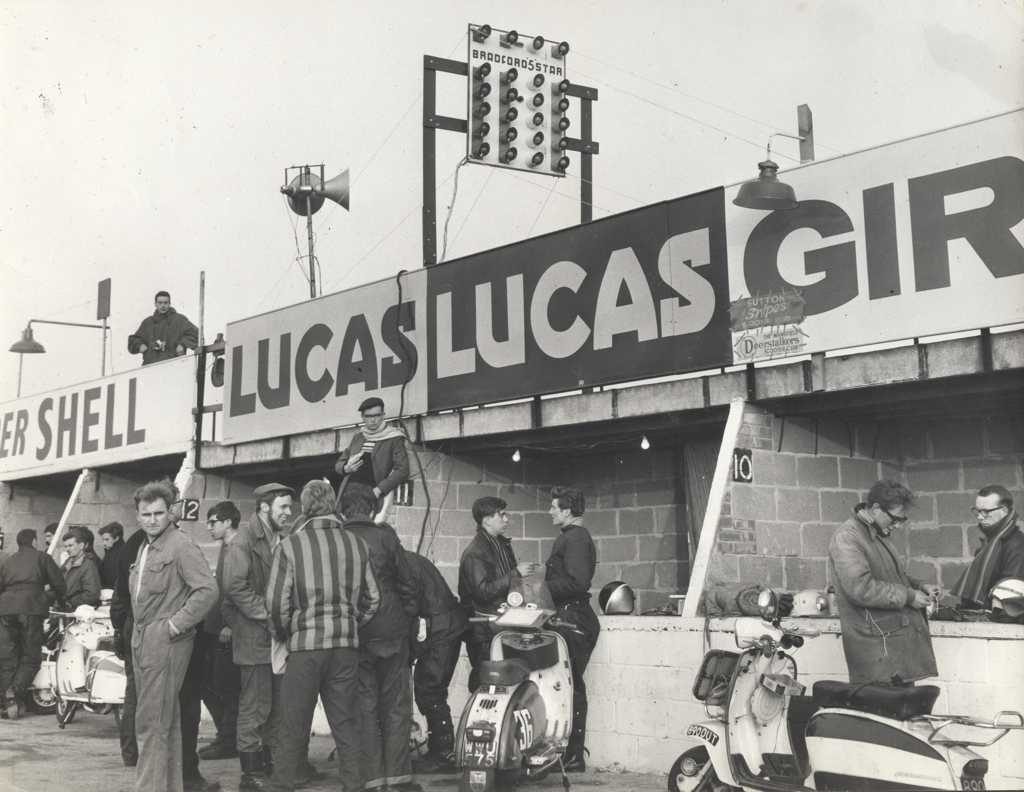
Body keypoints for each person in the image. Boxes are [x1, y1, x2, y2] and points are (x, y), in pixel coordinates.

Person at [266, 480, 381, 792]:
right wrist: (351, 622)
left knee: (293, 721)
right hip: (345, 646)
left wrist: (286, 633)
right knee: (345, 720)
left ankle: (283, 784)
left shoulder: (290, 545)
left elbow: (277, 603)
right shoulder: (357, 545)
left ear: (305, 507)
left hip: (305, 647)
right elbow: (373, 599)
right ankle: (354, 784)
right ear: (333, 505)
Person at [128, 479, 218, 792]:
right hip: (143, 638)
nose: (152, 519)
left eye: (158, 513)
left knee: (151, 722)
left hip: (165, 641)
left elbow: (207, 590)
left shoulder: (180, 546)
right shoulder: (145, 546)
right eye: (146, 514)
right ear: (138, 516)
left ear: (169, 513)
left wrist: (175, 626)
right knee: (164, 720)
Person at [341, 483, 420, 792]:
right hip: (391, 633)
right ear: (371, 509)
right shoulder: (386, 536)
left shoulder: (338, 538)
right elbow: (408, 582)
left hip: (356, 634)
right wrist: (407, 616)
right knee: (397, 706)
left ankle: (372, 780)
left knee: (364, 707)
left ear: (343, 511)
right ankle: (398, 779)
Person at [222, 483, 298, 790]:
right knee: (254, 707)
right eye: (283, 507)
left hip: (275, 637)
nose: (289, 513)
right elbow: (235, 587)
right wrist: (270, 615)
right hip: (256, 635)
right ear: (265, 507)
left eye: (290, 507)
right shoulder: (244, 541)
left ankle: (266, 765)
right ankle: (250, 774)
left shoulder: (280, 538)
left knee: (276, 706)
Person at [828, 480, 939, 686]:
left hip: (893, 650)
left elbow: (891, 578)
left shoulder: (878, 533)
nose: (897, 525)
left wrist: (919, 586)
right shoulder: (848, 537)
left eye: (902, 520)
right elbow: (861, 588)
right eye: (895, 519)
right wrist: (909, 596)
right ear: (877, 508)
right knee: (881, 714)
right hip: (875, 651)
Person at [544, 486, 601, 772]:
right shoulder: (570, 537)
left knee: (572, 686)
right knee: (569, 685)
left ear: (567, 510)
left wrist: (540, 588)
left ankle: (574, 756)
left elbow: (577, 583)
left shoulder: (576, 538)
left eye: (554, 507)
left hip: (574, 619)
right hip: (570, 617)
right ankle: (570, 754)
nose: (550, 511)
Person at [458, 496, 532, 692]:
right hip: (484, 632)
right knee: (485, 684)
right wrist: (515, 574)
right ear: (487, 519)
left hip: (500, 628)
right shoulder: (475, 552)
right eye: (502, 515)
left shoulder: (501, 545)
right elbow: (482, 592)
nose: (507, 519)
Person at [405, 550, 467, 773]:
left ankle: (442, 753)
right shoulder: (411, 559)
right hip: (448, 625)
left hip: (442, 629)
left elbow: (409, 607)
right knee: (431, 688)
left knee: (430, 689)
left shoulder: (401, 565)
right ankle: (442, 750)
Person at [0, 528, 66, 719]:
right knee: (31, 656)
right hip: (31, 609)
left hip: (5, 610)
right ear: (34, 541)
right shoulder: (42, 557)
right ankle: (13, 693)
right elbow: (59, 584)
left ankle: (7, 701)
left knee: (9, 657)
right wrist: (61, 600)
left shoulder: (8, 561)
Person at [195, 502, 242, 761]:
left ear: (227, 522)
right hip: (214, 628)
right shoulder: (226, 547)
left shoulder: (237, 548)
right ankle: (226, 736)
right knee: (209, 684)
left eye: (213, 521)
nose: (209, 526)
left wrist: (230, 624)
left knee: (226, 686)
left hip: (226, 630)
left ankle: (229, 740)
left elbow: (237, 589)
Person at [951, 485, 1024, 608]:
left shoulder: (1017, 544)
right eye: (977, 511)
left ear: (1004, 511)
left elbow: (1008, 590)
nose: (980, 517)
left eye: (986, 512)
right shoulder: (990, 541)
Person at [333, 397, 410, 512]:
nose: (373, 420)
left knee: (361, 527)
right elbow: (338, 464)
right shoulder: (358, 437)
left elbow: (403, 470)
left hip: (370, 493)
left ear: (383, 415)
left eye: (377, 415)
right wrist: (346, 468)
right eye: (369, 416)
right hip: (348, 491)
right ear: (363, 417)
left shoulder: (394, 437)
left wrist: (378, 490)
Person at [128, 290, 199, 365]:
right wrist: (140, 345)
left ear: (169, 304)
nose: (163, 306)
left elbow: (197, 334)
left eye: (165, 303)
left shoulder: (179, 320)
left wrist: (182, 344)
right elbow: (133, 340)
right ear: (155, 304)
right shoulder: (147, 323)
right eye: (160, 303)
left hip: (174, 365)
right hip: (150, 366)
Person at [61, 525, 101, 609]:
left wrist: (70, 602)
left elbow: (92, 594)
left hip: (76, 611)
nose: (67, 549)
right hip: (63, 608)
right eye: (66, 546)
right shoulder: (68, 562)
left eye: (70, 545)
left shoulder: (89, 565)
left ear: (81, 545)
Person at [98, 521, 127, 589]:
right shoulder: (110, 551)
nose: (104, 543)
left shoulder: (121, 554)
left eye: (107, 539)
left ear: (116, 538)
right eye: (103, 540)